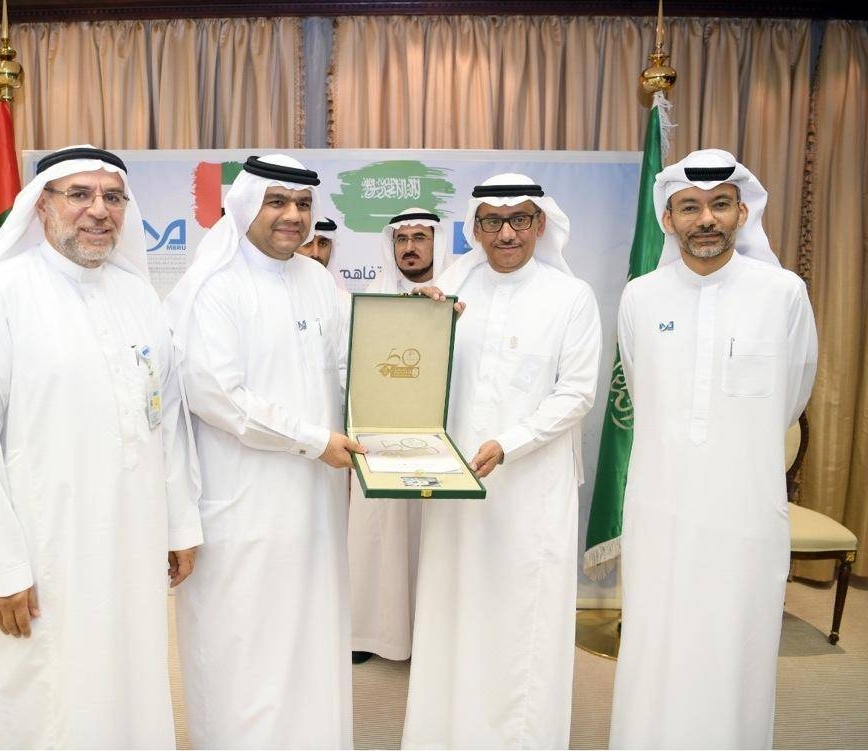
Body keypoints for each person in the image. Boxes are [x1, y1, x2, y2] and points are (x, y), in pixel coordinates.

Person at [0, 145, 203, 748]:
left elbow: (167, 424)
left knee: (130, 681)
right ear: (42, 205)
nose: (98, 211)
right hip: (42, 550)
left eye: (112, 197)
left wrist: (179, 524)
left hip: (132, 541)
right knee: (43, 695)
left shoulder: (140, 299)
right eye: (79, 195)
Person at [608, 149, 818, 749]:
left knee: (738, 642)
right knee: (659, 636)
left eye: (720, 205)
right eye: (690, 207)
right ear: (668, 218)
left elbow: (793, 391)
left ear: (742, 212)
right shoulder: (640, 297)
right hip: (662, 504)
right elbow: (642, 384)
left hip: (745, 507)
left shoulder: (783, 293)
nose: (706, 219)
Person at [164, 154, 364, 748]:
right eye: (277, 202)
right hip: (242, 505)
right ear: (247, 205)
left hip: (315, 503)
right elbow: (218, 396)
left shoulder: (318, 282)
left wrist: (423, 330)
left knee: (309, 635)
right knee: (244, 643)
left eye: (303, 205)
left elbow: (356, 365)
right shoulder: (215, 287)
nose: (292, 216)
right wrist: (312, 440)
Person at [401, 175, 602, 748]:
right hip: (456, 486)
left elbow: (577, 393)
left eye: (520, 219)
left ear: (541, 224)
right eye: (492, 220)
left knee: (521, 623)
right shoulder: (452, 292)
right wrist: (420, 324)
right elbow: (414, 374)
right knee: (453, 611)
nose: (506, 232)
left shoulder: (571, 298)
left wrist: (510, 442)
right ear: (476, 228)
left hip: (530, 489)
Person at [347, 208, 451, 665]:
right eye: (401, 239)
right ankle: (372, 634)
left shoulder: (460, 293)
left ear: (437, 243)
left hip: (438, 438)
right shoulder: (372, 299)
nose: (409, 247)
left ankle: (428, 634)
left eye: (419, 238)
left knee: (431, 537)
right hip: (380, 434)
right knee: (378, 535)